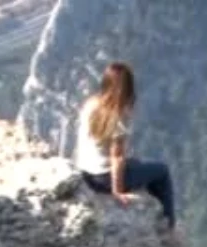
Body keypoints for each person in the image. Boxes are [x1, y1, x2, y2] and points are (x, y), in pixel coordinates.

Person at [74, 61, 177, 232]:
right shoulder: (117, 118)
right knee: (161, 171)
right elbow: (117, 158)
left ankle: (155, 213)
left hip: (86, 173)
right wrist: (117, 191)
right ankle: (168, 224)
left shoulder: (90, 104)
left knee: (136, 163)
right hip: (104, 178)